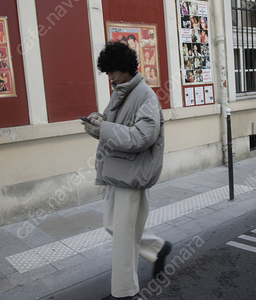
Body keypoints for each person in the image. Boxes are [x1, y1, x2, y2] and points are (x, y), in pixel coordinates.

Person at [81, 41, 172, 300]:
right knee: (114, 225)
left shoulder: (145, 95)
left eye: (112, 71)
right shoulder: (121, 90)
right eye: (107, 72)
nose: (109, 76)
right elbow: (115, 125)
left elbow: (143, 137)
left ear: (125, 68)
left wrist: (105, 129)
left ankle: (124, 292)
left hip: (131, 174)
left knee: (122, 236)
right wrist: (97, 122)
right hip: (119, 171)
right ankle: (158, 248)